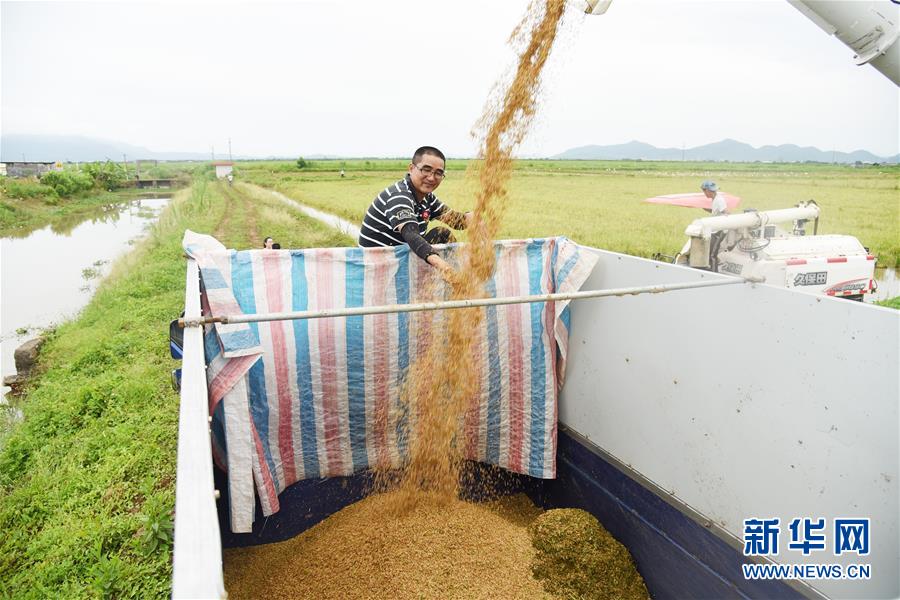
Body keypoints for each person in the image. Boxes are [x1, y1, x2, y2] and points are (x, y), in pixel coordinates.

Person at [358, 146, 471, 276]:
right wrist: (445, 268)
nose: (431, 177)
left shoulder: (427, 198)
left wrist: (475, 217)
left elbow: (458, 222)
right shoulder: (399, 195)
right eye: (426, 170)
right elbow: (411, 234)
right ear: (411, 169)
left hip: (401, 259)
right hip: (378, 267)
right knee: (430, 245)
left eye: (438, 173)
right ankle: (454, 277)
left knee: (442, 234)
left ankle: (458, 277)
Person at [700, 180, 727, 269]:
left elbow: (725, 212)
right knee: (710, 251)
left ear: (707, 190)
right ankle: (711, 268)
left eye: (704, 191)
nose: (704, 193)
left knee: (712, 254)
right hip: (715, 230)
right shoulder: (715, 199)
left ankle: (714, 273)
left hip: (720, 230)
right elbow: (715, 211)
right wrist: (705, 209)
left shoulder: (719, 200)